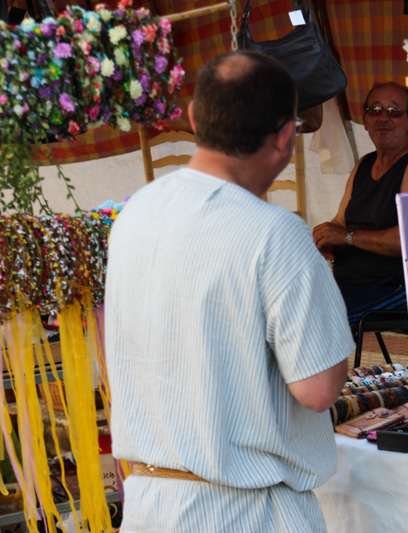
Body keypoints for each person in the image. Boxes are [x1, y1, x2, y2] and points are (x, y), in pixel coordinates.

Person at [105, 51, 354, 532]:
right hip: (244, 512)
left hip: (149, 504)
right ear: (285, 137)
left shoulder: (134, 215)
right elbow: (319, 388)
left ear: (195, 118)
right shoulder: (274, 234)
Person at [312, 81, 408, 327]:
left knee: (315, 323)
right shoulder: (364, 164)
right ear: (365, 119)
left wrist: (346, 237)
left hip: (394, 288)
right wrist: (323, 238)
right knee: (279, 309)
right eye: (375, 110)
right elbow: (339, 223)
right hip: (348, 286)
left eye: (394, 111)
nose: (384, 118)